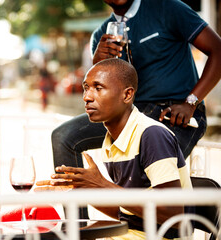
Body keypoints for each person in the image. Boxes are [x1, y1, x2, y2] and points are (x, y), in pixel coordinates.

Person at [51, 0, 221, 176]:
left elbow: (218, 50)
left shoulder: (168, 7)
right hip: (128, 114)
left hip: (174, 113)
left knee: (142, 179)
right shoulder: (101, 35)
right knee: (63, 137)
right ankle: (75, 204)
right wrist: (98, 63)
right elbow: (104, 95)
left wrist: (191, 102)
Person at [38, 59, 193, 239]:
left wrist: (104, 185)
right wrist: (81, 190)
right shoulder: (112, 140)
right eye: (86, 88)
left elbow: (173, 214)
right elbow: (126, 212)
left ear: (127, 95)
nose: (87, 96)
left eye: (98, 88)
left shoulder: (151, 135)